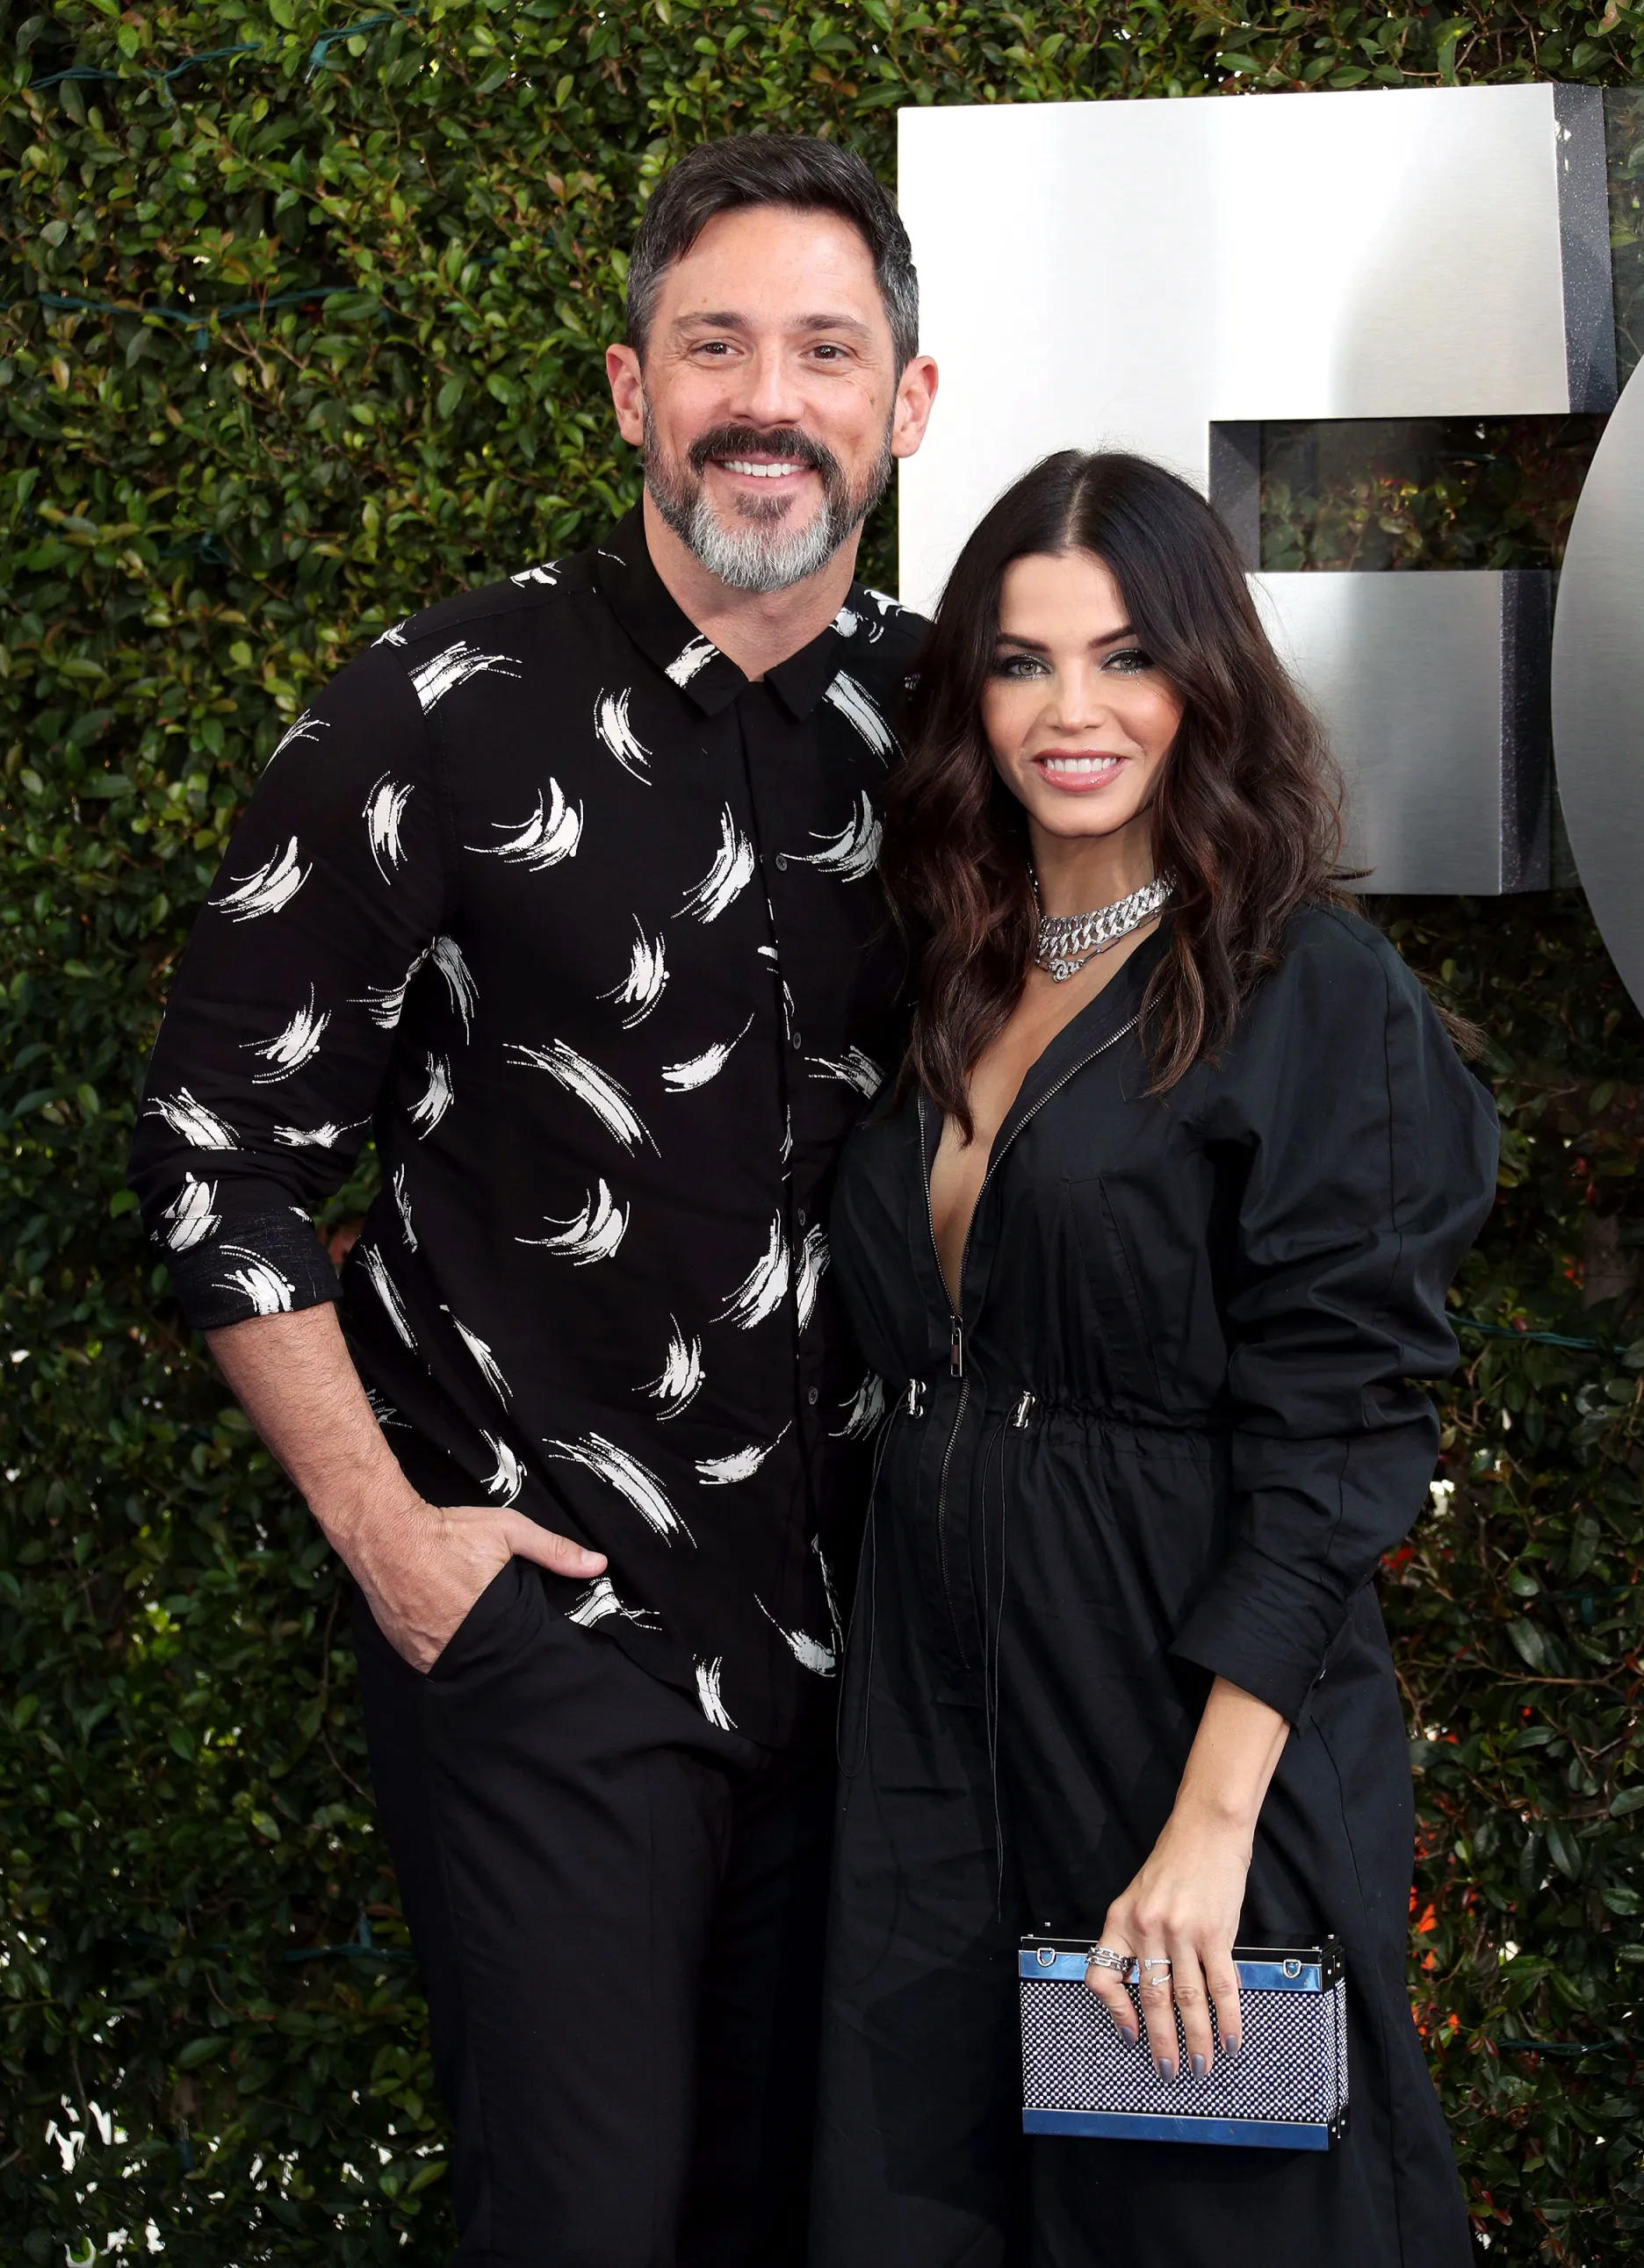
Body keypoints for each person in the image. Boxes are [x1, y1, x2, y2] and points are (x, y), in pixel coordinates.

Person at [128, 134, 938, 2267]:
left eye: (826, 350)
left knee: (832, 2222)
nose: (769, 399)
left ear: (909, 403)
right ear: (629, 390)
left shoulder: (952, 731)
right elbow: (214, 1140)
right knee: (583, 2224)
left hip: (888, 1667)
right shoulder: (440, 712)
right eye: (715, 346)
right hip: (558, 1635)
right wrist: (395, 1547)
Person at [810, 450, 1498, 2268]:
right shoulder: (944, 975)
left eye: (1125, 657)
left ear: (1205, 675)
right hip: (933, 1745)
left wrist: (1208, 1827)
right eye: (1022, 662)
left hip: (1180, 1738)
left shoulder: (1305, 992)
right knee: (927, 2211)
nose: (1074, 711)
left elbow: (1337, 1442)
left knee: (1211, 2218)